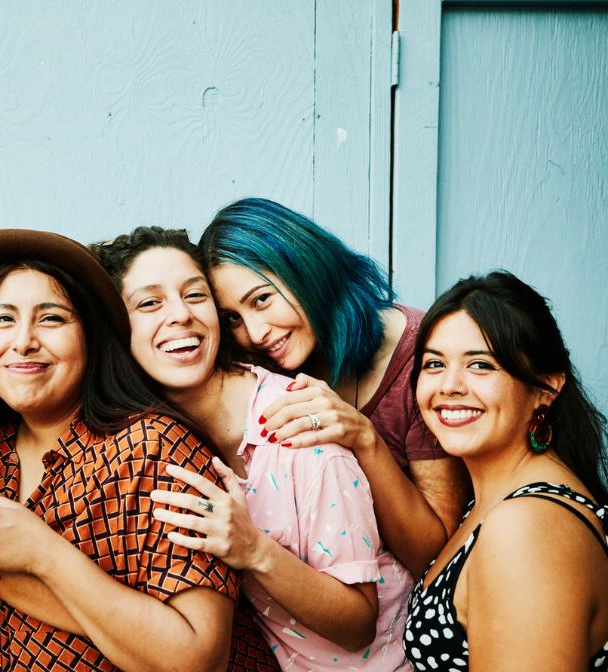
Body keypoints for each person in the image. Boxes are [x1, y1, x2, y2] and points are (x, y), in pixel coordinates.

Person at [0, 229, 273, 672]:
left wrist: (42, 553)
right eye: (3, 319)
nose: (23, 340)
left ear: (92, 337)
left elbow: (200, 659)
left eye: (51, 318)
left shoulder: (158, 449)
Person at [92, 226, 413, 671]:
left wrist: (254, 550)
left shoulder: (297, 428)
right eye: (149, 302)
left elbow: (359, 622)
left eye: (195, 295)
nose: (181, 315)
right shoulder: (147, 439)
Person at [199, 198, 470, 577]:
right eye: (232, 318)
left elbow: (433, 556)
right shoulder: (257, 366)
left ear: (305, 270)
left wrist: (364, 438)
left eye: (261, 300)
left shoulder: (422, 359)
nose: (255, 333)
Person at [404, 271, 608, 671]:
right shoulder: (496, 500)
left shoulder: (525, 526)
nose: (448, 385)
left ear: (546, 388)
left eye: (480, 364)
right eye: (433, 364)